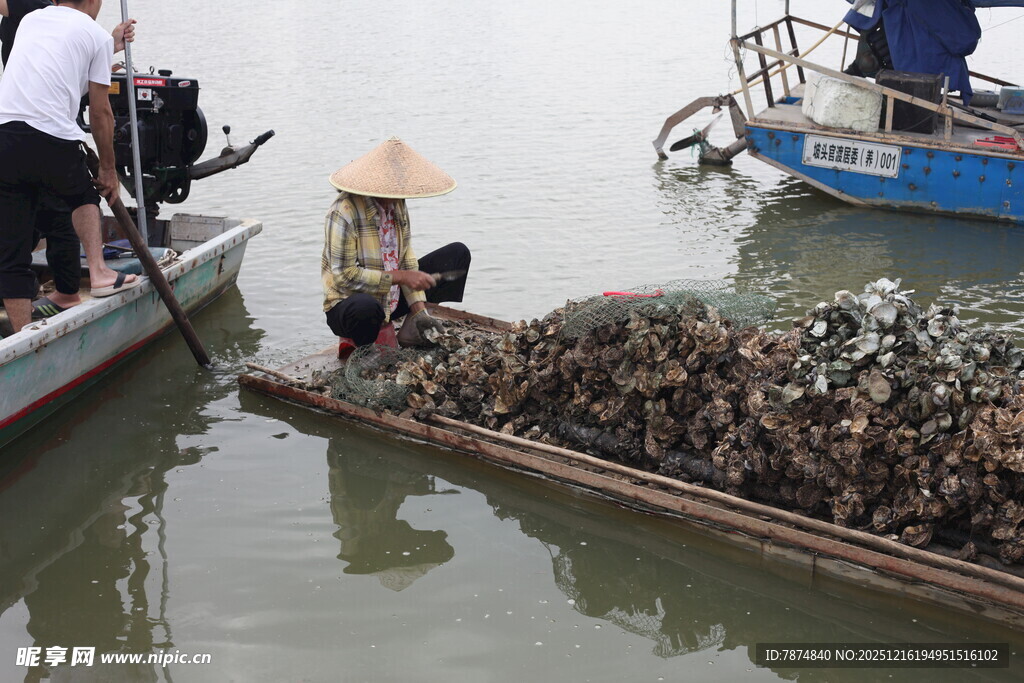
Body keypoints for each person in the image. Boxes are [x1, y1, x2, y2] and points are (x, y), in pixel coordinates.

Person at [0, 0, 139, 334]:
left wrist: (108, 46)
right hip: (52, 136)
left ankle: (22, 339)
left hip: (5, 136)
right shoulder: (95, 35)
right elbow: (100, 112)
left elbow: (56, 69)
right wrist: (109, 169)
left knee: (11, 254)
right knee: (83, 197)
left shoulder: (31, 20)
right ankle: (100, 275)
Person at [322, 137, 471, 352]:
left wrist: (418, 310)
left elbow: (406, 258)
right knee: (365, 307)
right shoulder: (343, 212)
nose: (396, 194)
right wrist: (400, 277)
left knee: (457, 254)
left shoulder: (397, 203)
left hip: (390, 299)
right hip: (350, 306)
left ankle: (412, 327)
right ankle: (365, 348)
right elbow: (345, 276)